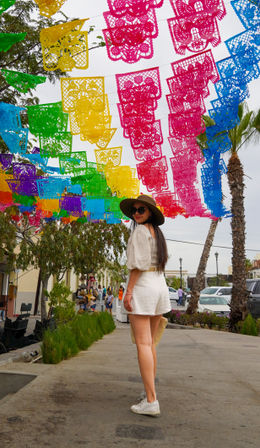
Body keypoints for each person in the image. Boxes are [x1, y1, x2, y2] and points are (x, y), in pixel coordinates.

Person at [119, 194, 171, 417]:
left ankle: (151, 401)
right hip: (159, 285)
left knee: (143, 344)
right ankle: (150, 392)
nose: (137, 213)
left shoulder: (140, 232)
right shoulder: (156, 233)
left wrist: (128, 291)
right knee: (149, 344)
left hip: (144, 287)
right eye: (135, 210)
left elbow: (137, 265)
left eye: (142, 210)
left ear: (150, 213)